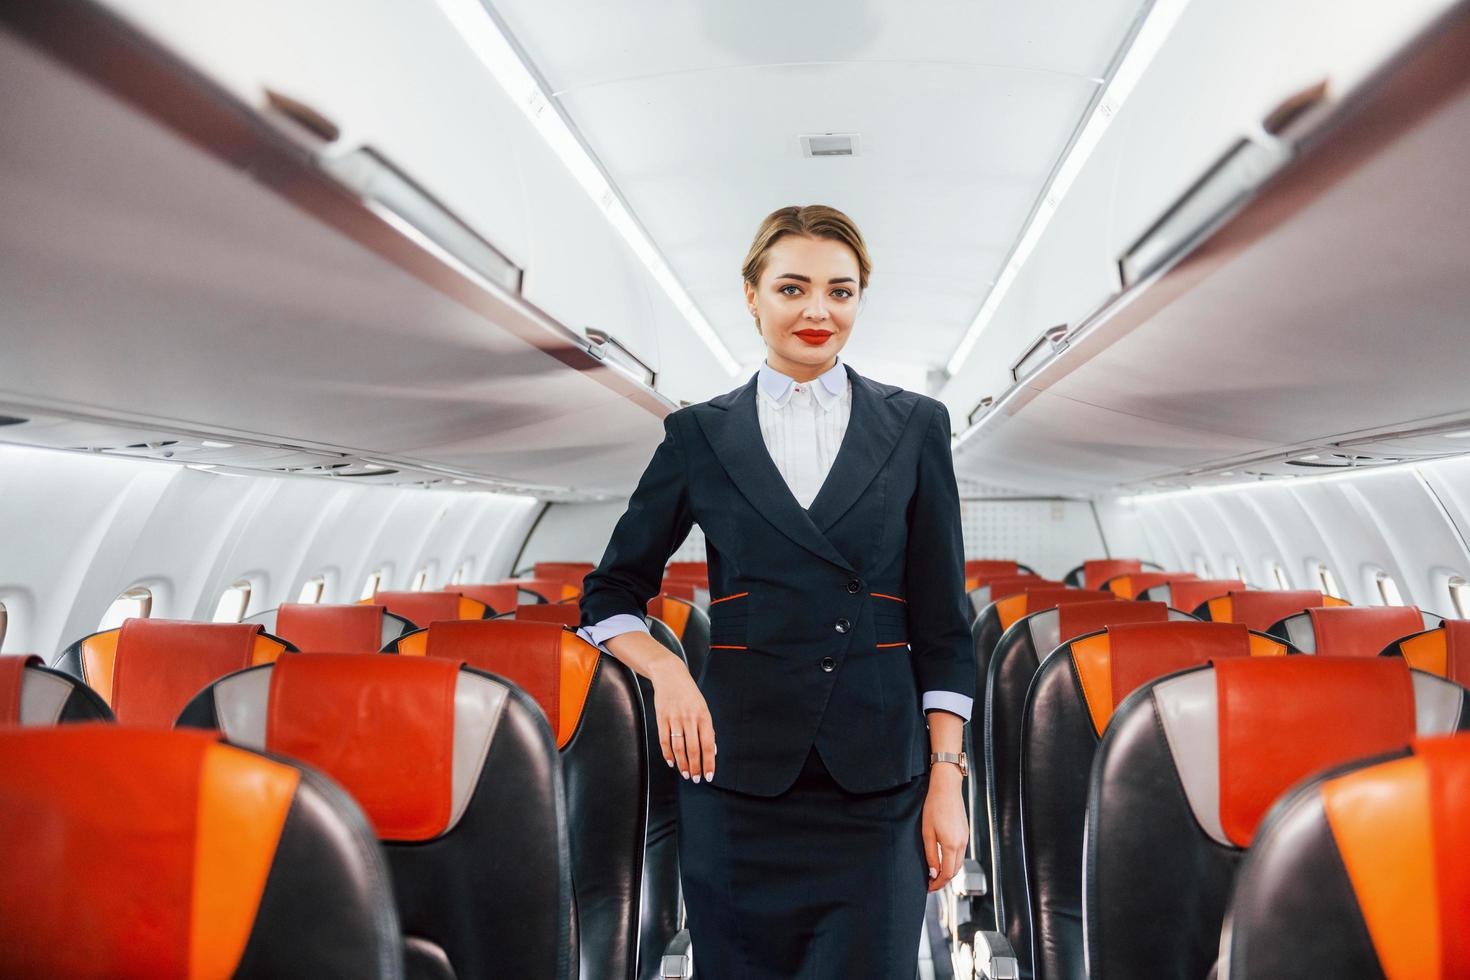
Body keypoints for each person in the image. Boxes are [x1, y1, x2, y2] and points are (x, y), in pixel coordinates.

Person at [577, 204, 974, 978]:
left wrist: (947, 780)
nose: (818, 312)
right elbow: (610, 592)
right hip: (738, 781)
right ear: (752, 295)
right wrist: (667, 672)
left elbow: (943, 628)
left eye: (841, 291)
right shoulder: (699, 435)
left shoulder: (915, 425)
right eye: (792, 288)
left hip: (879, 784)